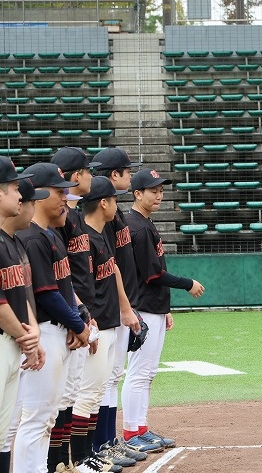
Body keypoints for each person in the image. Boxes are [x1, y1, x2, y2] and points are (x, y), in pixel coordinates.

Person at [10, 164, 91, 473]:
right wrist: (79, 325)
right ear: (40, 195)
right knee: (36, 418)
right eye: (59, 192)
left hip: (56, 330)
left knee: (46, 417)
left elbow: (62, 289)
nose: (64, 198)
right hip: (43, 330)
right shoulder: (32, 238)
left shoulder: (49, 234)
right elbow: (46, 294)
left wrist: (76, 319)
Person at [122, 169, 203, 446]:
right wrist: (187, 283)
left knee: (148, 372)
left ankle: (141, 428)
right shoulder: (138, 226)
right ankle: (131, 432)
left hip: (152, 306)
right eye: (153, 191)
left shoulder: (143, 222)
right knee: (139, 372)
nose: (159, 195)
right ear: (137, 194)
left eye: (161, 191)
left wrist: (164, 307)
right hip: (143, 307)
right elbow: (153, 274)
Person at [91, 148, 162, 456]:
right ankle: (102, 444)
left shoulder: (115, 213)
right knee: (106, 379)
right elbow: (110, 266)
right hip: (110, 308)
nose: (130, 176)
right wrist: (125, 306)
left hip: (122, 305)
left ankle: (110, 443)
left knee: (113, 376)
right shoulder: (103, 216)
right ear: (114, 175)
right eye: (128, 172)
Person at [69, 176, 138, 470]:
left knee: (97, 392)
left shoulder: (99, 236)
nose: (116, 205)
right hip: (96, 325)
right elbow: (80, 287)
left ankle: (90, 454)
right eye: (114, 199)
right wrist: (90, 324)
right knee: (87, 394)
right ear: (103, 203)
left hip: (109, 322)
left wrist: (125, 309)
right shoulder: (84, 239)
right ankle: (81, 457)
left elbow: (114, 273)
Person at [0, 161, 43, 473]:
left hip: (13, 343)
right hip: (5, 341)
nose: (20, 195)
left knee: (4, 434)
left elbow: (21, 293)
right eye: (15, 188)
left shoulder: (11, 242)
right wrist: (26, 336)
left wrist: (31, 335)